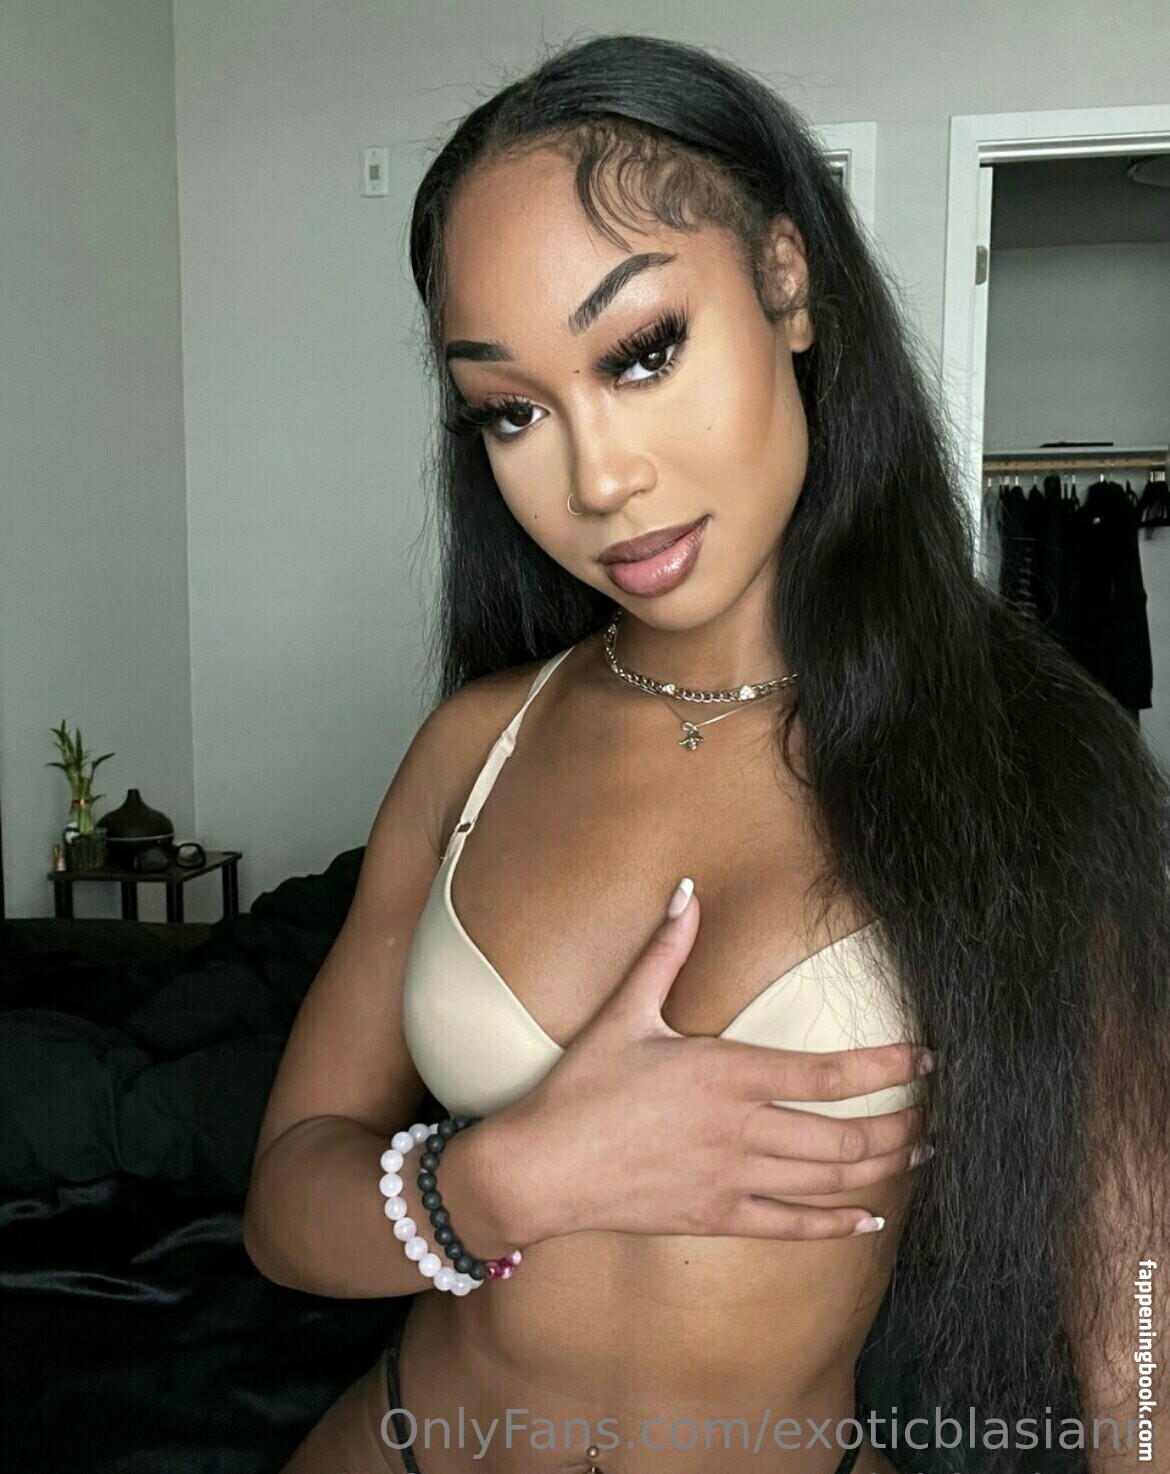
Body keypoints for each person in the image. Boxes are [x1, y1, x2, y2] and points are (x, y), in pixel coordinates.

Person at [243, 33, 1170, 1474]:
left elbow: (1137, 1316)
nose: (600, 477)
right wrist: (503, 1178)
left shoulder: (1028, 762)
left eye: (642, 352)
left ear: (786, 282)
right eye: (512, 409)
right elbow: (285, 1208)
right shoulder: (479, 745)